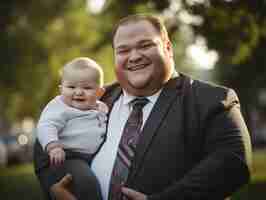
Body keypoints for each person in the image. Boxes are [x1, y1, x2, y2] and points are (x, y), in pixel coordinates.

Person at [34, 14, 252, 200]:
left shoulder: (211, 100)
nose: (134, 56)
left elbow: (233, 164)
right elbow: (45, 145)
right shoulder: (96, 97)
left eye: (145, 45)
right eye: (123, 50)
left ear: (168, 48)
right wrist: (54, 187)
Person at [34, 57, 108, 200]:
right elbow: (46, 125)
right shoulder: (60, 106)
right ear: (61, 90)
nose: (79, 92)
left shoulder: (100, 108)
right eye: (71, 87)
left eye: (87, 88)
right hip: (67, 156)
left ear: (99, 93)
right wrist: (54, 147)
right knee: (87, 183)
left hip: (89, 157)